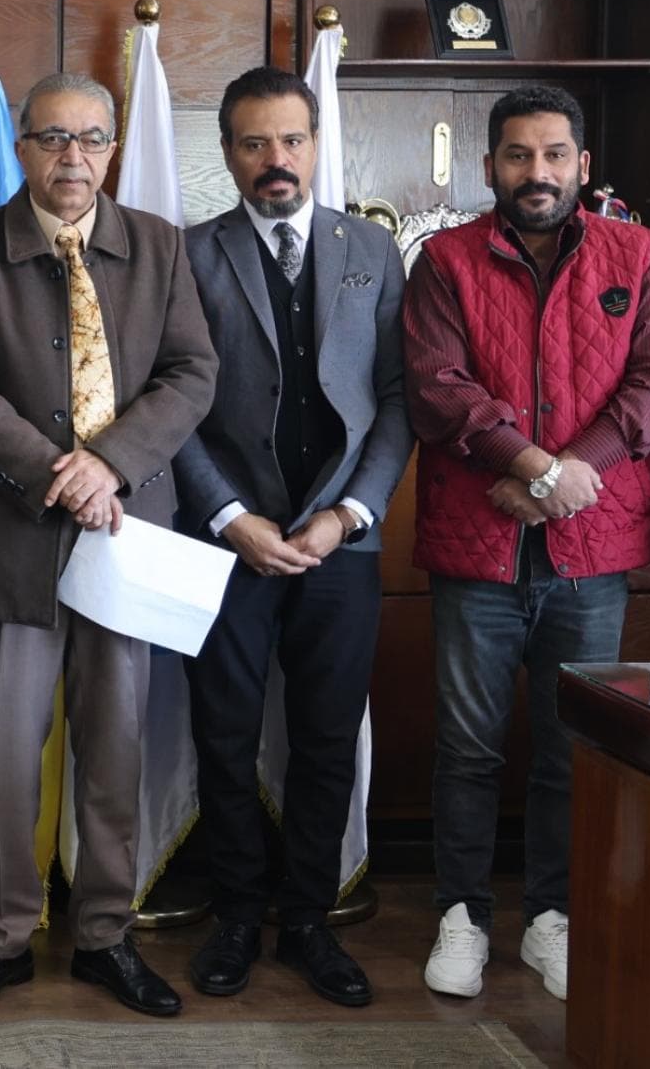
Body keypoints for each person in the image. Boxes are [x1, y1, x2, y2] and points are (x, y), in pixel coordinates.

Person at [0, 72, 217, 1019]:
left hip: (123, 536)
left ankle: (104, 936)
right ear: (21, 148)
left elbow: (192, 372)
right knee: (8, 757)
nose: (72, 157)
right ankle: (2, 940)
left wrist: (111, 465)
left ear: (114, 149)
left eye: (91, 139)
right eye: (53, 138)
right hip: (12, 538)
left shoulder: (159, 245)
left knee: (115, 750)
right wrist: (59, 470)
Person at [401, 86, 650, 1003]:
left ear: (583, 165)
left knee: (573, 746)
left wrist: (568, 473)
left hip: (591, 549)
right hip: (476, 545)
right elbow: (437, 388)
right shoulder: (443, 260)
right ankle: (462, 913)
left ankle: (552, 918)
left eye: (555, 154)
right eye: (519, 155)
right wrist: (534, 467)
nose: (538, 172)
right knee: (468, 748)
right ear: (490, 165)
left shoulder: (638, 256)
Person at [172, 67, 410, 1007]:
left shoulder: (372, 249)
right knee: (224, 735)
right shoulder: (190, 254)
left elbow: (396, 400)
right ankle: (236, 913)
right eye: (255, 143)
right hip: (226, 542)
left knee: (325, 739)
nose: (277, 159)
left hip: (341, 542)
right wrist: (232, 518)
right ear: (228, 153)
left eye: (292, 140)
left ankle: (308, 918)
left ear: (316, 145)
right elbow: (171, 403)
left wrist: (348, 515)